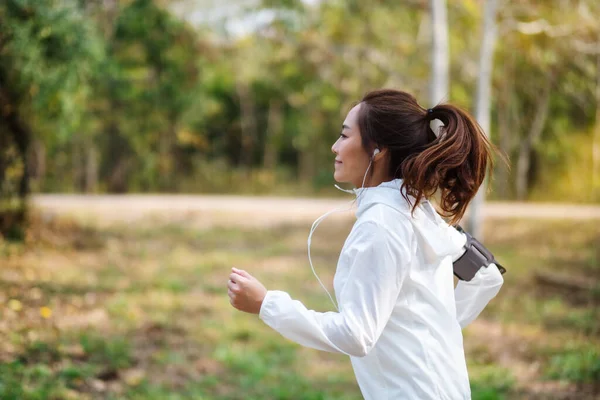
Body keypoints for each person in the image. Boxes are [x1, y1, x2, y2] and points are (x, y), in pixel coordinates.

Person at [226, 89, 505, 400]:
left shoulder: (381, 224)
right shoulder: (417, 210)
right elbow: (486, 274)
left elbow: (356, 335)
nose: (334, 147)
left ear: (379, 149)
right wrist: (434, 331)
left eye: (345, 136)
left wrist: (266, 304)